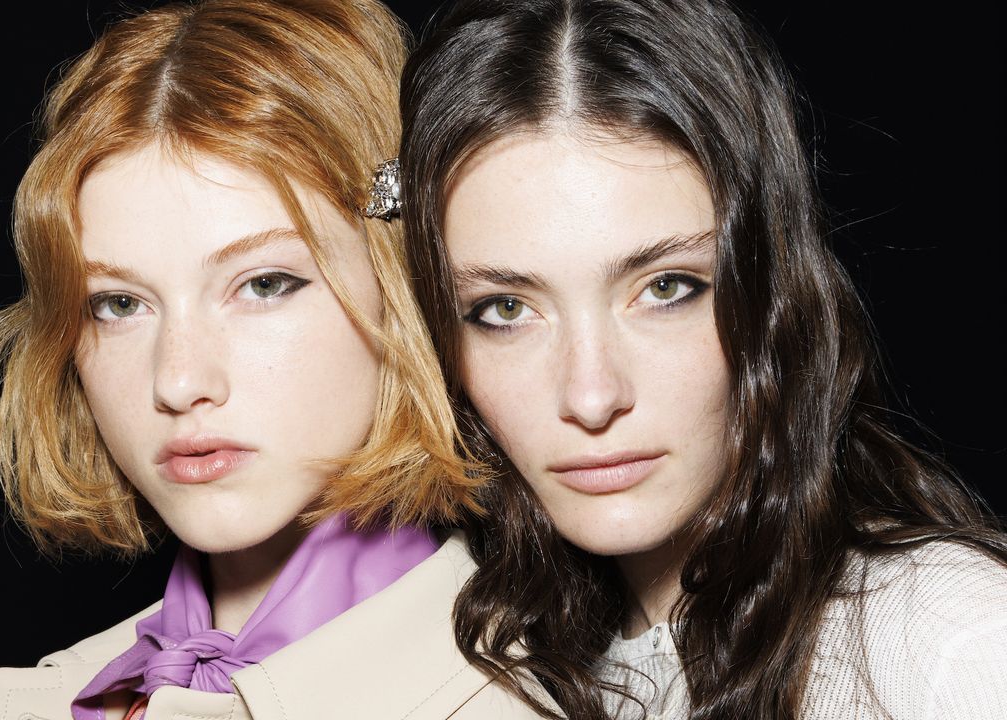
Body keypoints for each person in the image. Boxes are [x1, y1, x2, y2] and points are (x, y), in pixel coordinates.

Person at [397, 0, 1007, 718]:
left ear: (772, 292)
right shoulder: (505, 668)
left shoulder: (954, 642)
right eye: (504, 308)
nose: (592, 396)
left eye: (666, 288)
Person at [0, 1, 553, 718]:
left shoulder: (501, 701)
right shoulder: (62, 690)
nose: (179, 382)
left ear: (399, 283)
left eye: (264, 285)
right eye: (118, 304)